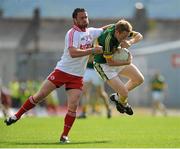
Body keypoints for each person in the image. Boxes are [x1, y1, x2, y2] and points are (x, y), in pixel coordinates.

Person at [4, 8, 111, 143]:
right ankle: (16, 116)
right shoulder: (72, 33)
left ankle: (64, 136)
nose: (85, 20)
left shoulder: (91, 32)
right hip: (62, 71)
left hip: (77, 76)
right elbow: (73, 53)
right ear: (75, 20)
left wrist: (117, 26)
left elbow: (105, 30)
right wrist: (93, 50)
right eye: (82, 18)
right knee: (40, 96)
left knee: (73, 106)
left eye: (86, 17)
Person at [93, 19, 144, 115]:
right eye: (123, 37)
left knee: (139, 79)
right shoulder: (108, 40)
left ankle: (117, 97)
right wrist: (127, 62)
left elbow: (139, 35)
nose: (124, 39)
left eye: (126, 36)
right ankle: (124, 104)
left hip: (115, 58)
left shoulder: (120, 29)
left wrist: (131, 41)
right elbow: (110, 63)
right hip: (103, 65)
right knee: (124, 94)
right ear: (117, 32)